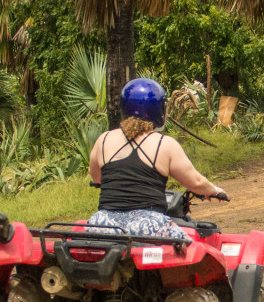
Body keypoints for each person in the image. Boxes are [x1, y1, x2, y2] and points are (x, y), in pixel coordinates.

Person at [87, 78, 227, 241]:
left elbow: (96, 177)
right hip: (147, 226)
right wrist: (214, 190)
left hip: (103, 224)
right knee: (191, 246)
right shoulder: (164, 144)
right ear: (159, 109)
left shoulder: (104, 139)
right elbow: (195, 182)